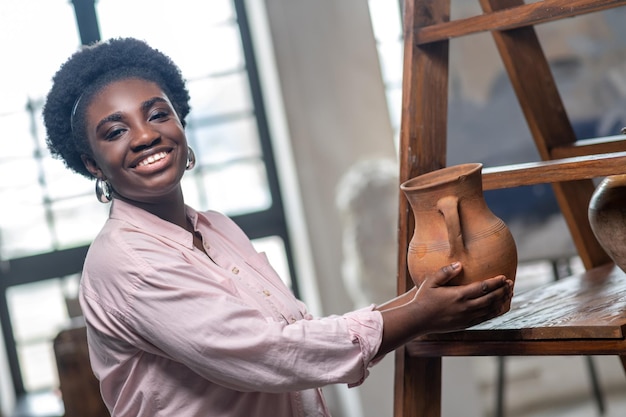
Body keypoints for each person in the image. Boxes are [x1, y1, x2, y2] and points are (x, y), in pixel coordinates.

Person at [43, 37, 513, 417]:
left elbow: (297, 331)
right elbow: (266, 354)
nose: (146, 135)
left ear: (180, 121)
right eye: (115, 130)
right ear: (92, 164)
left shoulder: (217, 228)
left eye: (157, 113)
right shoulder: (127, 260)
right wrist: (422, 314)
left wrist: (428, 298)